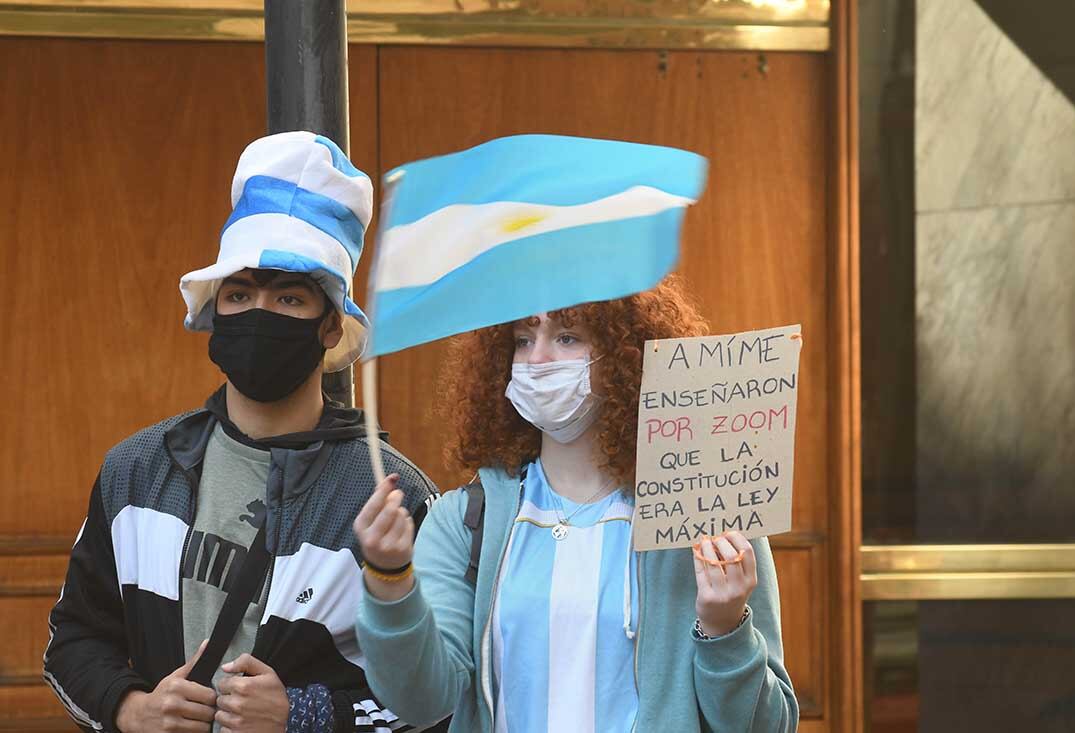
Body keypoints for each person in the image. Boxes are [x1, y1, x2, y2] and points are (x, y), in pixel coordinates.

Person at [43, 132, 440, 733]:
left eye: (289, 297)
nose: (259, 312)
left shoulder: (391, 498)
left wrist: (302, 716)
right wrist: (132, 710)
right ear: (213, 313)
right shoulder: (137, 471)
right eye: (238, 293)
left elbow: (436, 696)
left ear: (332, 326)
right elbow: (73, 640)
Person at [353, 276, 799, 732]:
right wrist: (390, 582)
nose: (538, 359)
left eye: (567, 337)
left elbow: (770, 726)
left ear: (628, 354)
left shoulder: (706, 514)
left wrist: (725, 629)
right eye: (523, 340)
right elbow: (421, 699)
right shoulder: (465, 521)